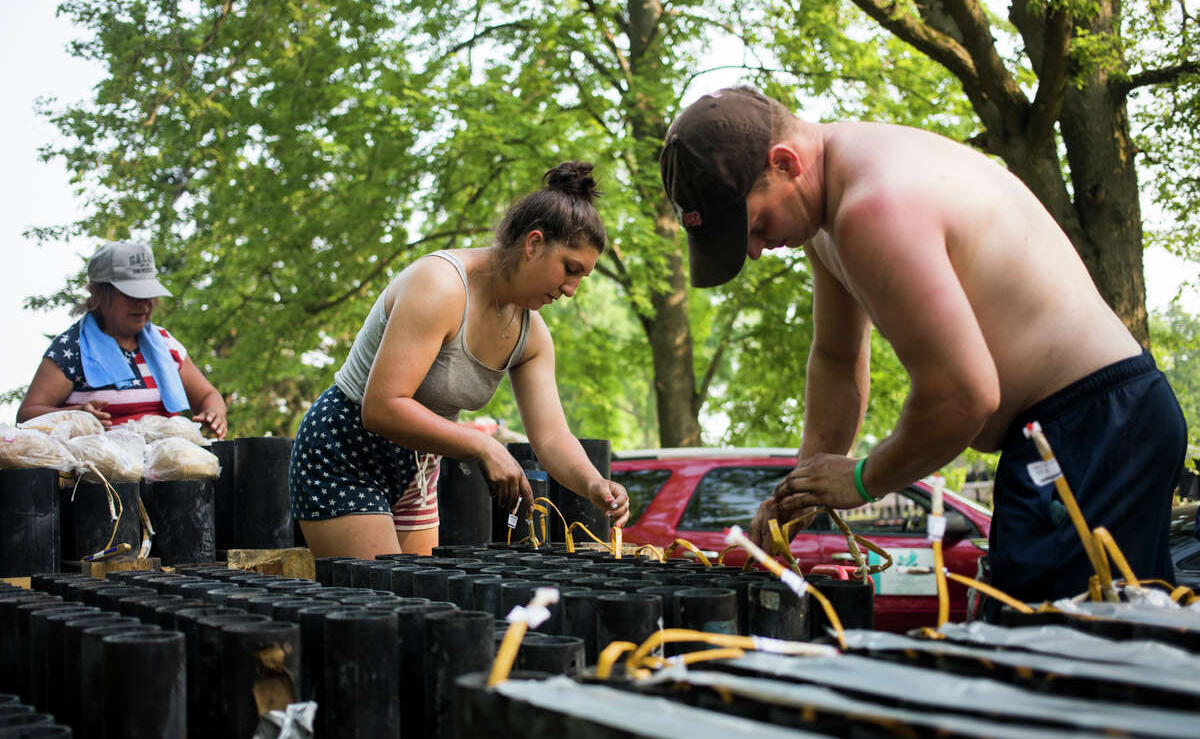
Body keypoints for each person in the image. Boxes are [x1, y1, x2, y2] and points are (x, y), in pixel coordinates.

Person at [659, 86, 1186, 607]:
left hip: (1099, 426)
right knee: (1050, 648)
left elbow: (963, 395)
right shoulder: (827, 213)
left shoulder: (875, 204)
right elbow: (836, 362)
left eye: (755, 225)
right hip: (1069, 431)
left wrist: (865, 480)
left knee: (1061, 658)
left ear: (785, 163)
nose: (753, 251)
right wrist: (802, 492)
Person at [289, 162, 631, 559]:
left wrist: (593, 484)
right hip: (345, 449)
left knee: (420, 603)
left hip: (418, 467)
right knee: (378, 603)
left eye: (581, 278)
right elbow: (381, 407)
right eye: (570, 270)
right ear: (533, 244)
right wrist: (483, 446)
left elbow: (552, 437)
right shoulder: (441, 285)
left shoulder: (531, 334)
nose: (571, 290)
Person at [17, 241, 228, 439]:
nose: (143, 304)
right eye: (132, 295)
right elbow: (27, 416)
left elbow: (207, 395)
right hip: (101, 474)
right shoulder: (72, 350)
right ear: (97, 292)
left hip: (167, 471)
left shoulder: (166, 345)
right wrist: (75, 415)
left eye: (148, 295)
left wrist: (214, 412)